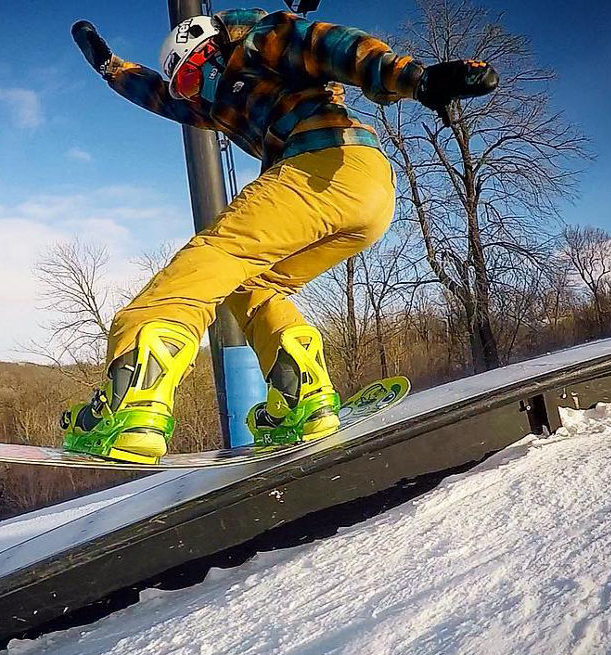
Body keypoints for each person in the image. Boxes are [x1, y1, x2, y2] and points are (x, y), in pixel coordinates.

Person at [61, 9, 497, 464]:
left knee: (214, 256)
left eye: (194, 75)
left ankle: (131, 401)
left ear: (211, 48)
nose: (196, 92)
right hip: (365, 198)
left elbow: (331, 46)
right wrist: (113, 69)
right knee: (252, 286)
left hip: (325, 161)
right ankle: (301, 397)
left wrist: (413, 78)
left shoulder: (258, 42)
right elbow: (161, 97)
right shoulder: (216, 106)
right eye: (187, 87)